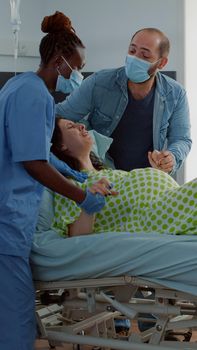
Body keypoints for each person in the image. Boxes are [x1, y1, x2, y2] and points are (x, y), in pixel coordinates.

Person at [0, 11, 111, 350]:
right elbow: (32, 161)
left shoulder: (22, 86)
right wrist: (82, 197)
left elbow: (34, 150)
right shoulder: (33, 95)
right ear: (60, 62)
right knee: (17, 320)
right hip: (8, 219)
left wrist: (76, 172)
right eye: (76, 67)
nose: (78, 75)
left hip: (12, 213)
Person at [55, 27, 192, 175]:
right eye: (132, 51)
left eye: (145, 55)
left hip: (147, 179)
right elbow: (60, 115)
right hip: (104, 175)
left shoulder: (176, 94)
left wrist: (171, 157)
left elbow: (182, 139)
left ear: (161, 63)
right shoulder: (99, 83)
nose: (135, 59)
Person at [51, 118, 197, 237]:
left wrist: (158, 173)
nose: (81, 126)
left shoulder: (109, 172)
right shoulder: (70, 185)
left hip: (169, 199)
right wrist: (89, 205)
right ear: (61, 145)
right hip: (150, 215)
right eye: (71, 127)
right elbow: (75, 234)